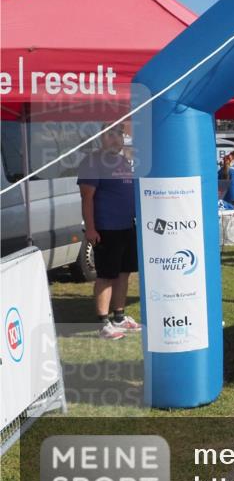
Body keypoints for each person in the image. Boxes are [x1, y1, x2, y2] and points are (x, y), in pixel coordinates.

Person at [77, 124, 142, 340]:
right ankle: (103, 323)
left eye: (119, 134)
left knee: (124, 273)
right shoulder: (92, 162)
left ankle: (119, 317)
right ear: (101, 138)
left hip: (126, 226)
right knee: (106, 275)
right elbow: (87, 198)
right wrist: (92, 228)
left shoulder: (123, 161)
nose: (116, 139)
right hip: (106, 229)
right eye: (110, 134)